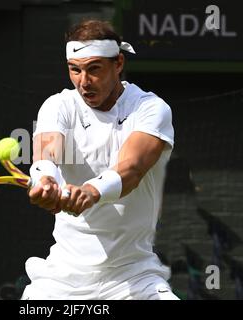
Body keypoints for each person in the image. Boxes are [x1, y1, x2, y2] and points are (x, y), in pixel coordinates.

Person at [23, 19, 179, 300]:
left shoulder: (151, 108)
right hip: (62, 278)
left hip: (134, 276)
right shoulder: (58, 105)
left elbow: (130, 170)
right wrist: (45, 180)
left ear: (118, 63)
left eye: (94, 69)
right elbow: (47, 155)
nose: (84, 82)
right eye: (75, 70)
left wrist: (91, 192)